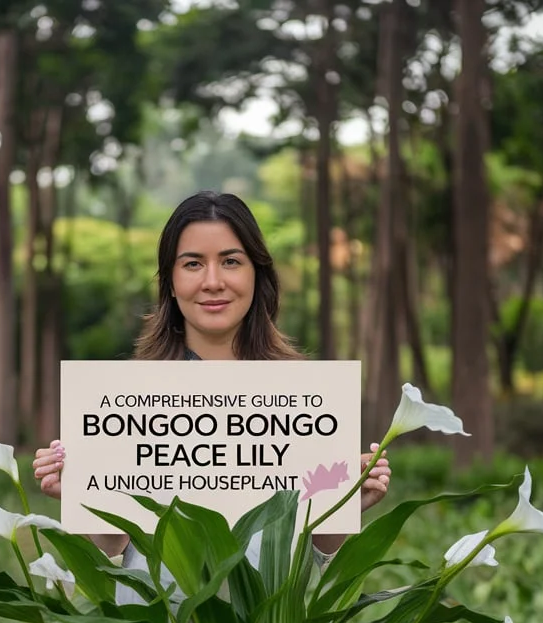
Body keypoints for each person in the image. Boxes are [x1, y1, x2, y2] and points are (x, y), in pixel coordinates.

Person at [31, 191, 391, 600]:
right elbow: (115, 547)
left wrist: (350, 501)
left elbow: (314, 550)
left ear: (258, 274)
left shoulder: (302, 394)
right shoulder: (128, 395)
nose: (213, 281)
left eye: (231, 261)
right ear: (170, 281)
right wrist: (79, 492)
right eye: (193, 264)